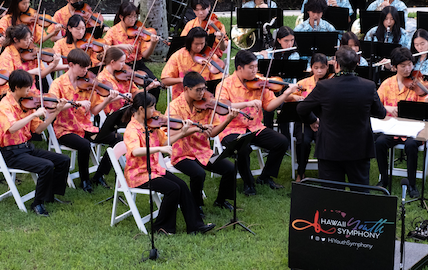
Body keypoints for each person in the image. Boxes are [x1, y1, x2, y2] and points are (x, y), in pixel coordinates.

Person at [123, 92, 215, 234]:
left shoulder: (151, 125)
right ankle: (161, 227)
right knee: (173, 189)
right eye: (152, 107)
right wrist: (159, 149)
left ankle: (196, 226)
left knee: (182, 185)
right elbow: (135, 151)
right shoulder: (132, 130)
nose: (155, 111)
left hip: (154, 169)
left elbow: (165, 141)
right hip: (139, 174)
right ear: (141, 109)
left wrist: (183, 132)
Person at [296, 47, 386, 184]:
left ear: (336, 64)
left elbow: (302, 108)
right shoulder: (368, 86)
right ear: (357, 65)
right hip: (359, 148)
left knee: (332, 197)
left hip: (330, 148)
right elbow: (381, 113)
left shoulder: (324, 87)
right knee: (360, 193)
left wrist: (312, 120)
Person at [215, 50, 300, 193]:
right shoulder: (225, 85)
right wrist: (247, 104)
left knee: (282, 142)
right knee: (243, 148)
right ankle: (249, 184)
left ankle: (266, 176)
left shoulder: (260, 82)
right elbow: (222, 106)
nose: (255, 71)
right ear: (240, 68)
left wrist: (285, 94)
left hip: (255, 127)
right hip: (231, 128)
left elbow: (269, 106)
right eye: (251, 67)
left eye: (256, 67)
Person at [0, 69, 73, 216]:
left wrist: (55, 112)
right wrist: (33, 115)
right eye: (27, 87)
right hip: (11, 153)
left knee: (63, 160)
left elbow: (39, 129)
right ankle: (37, 203)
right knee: (46, 166)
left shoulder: (27, 103)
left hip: (26, 148)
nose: (30, 90)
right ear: (17, 87)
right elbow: (11, 128)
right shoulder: (5, 105)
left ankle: (49, 196)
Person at [48, 49, 122, 192]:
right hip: (65, 129)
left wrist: (107, 100)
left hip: (86, 127)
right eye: (82, 67)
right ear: (70, 65)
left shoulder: (87, 83)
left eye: (87, 67)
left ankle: (99, 175)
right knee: (85, 145)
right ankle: (85, 180)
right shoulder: (58, 84)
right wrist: (76, 103)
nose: (85, 70)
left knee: (117, 138)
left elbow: (94, 110)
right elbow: (52, 107)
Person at [167, 71, 239, 210]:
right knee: (198, 173)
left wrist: (228, 119)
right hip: (181, 154)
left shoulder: (206, 105)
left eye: (204, 89)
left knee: (230, 168)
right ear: (187, 89)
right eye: (198, 90)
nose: (202, 93)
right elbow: (170, 135)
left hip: (202, 151)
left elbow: (212, 134)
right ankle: (196, 205)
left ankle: (221, 200)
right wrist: (195, 129)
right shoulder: (174, 107)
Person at [374, 47, 428, 194]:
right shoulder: (387, 84)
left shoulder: (418, 84)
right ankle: (384, 178)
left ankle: (412, 184)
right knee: (380, 142)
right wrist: (388, 109)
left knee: (410, 145)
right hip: (392, 127)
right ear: (394, 67)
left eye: (410, 64)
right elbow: (375, 104)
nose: (408, 69)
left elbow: (426, 112)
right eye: (403, 66)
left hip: (414, 128)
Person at [290, 53, 332, 180]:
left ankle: (325, 173)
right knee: (303, 141)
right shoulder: (303, 83)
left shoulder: (331, 83)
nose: (319, 70)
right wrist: (294, 96)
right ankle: (300, 172)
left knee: (325, 140)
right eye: (316, 67)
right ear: (311, 67)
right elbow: (287, 97)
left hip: (324, 121)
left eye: (323, 67)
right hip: (305, 121)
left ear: (327, 68)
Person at [161, 27, 224, 101]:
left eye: (202, 43)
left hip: (205, 96)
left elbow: (217, 78)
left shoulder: (209, 55)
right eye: (196, 44)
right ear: (189, 42)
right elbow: (165, 80)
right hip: (183, 98)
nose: (199, 47)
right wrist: (183, 80)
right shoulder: (178, 56)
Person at [0, 24, 60, 93]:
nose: (29, 42)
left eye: (30, 38)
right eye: (26, 39)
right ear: (15, 39)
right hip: (15, 92)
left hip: (32, 90)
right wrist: (31, 72)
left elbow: (42, 73)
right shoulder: (6, 56)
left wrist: (53, 65)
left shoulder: (30, 50)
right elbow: (11, 80)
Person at [105, 1, 159, 82]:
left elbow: (145, 55)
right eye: (130, 17)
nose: (133, 19)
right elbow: (105, 49)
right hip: (121, 65)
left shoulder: (139, 29)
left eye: (135, 16)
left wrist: (153, 44)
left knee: (154, 83)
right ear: (121, 17)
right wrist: (120, 46)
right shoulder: (112, 31)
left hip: (138, 63)